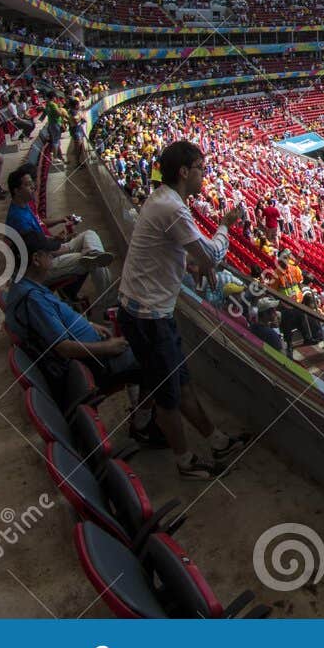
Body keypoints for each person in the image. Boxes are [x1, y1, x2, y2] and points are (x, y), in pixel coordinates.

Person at [115, 140, 248, 480]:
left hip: (152, 311)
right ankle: (185, 461)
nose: (205, 174)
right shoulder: (172, 208)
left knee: (181, 384)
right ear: (184, 172)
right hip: (148, 316)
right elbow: (212, 256)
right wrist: (224, 226)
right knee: (168, 395)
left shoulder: (165, 202)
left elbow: (172, 253)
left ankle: (217, 441)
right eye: (201, 168)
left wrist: (188, 265)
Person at [4, 231, 137, 395]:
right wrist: (108, 347)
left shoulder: (28, 286)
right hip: (95, 364)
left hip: (93, 349)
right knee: (155, 358)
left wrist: (89, 324)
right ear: (36, 259)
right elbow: (64, 348)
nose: (53, 257)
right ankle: (145, 414)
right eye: (49, 253)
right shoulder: (33, 299)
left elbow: (57, 320)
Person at [4, 164, 113, 304]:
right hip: (44, 266)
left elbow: (39, 238)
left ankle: (93, 254)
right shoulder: (18, 218)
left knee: (89, 234)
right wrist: (61, 247)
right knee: (92, 261)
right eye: (28, 185)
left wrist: (56, 239)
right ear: (17, 191)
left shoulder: (23, 206)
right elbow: (38, 251)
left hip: (50, 250)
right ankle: (110, 305)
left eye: (32, 183)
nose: (33, 187)